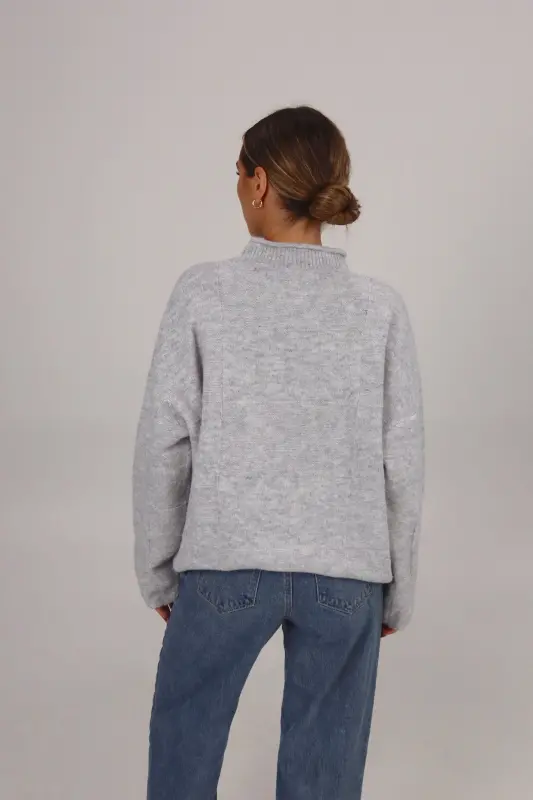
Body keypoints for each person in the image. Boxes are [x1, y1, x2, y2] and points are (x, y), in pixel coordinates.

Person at [133, 105, 424, 800]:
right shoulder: (379, 309)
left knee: (183, 748)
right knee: (325, 775)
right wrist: (396, 591)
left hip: (224, 564)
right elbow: (402, 461)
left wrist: (159, 572)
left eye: (238, 175)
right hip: (346, 576)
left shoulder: (203, 293)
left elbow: (163, 442)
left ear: (259, 182)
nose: (238, 188)